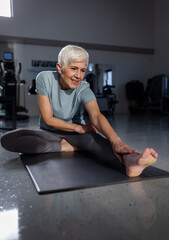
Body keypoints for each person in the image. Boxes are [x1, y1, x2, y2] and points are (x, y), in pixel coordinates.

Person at [1, 45, 158, 177]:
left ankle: (131, 162)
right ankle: (68, 147)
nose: (78, 75)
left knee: (98, 142)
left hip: (78, 136)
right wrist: (79, 127)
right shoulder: (45, 78)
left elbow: (96, 116)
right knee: (8, 139)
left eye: (82, 70)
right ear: (60, 68)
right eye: (74, 68)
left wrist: (116, 141)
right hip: (50, 132)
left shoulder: (83, 88)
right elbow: (48, 119)